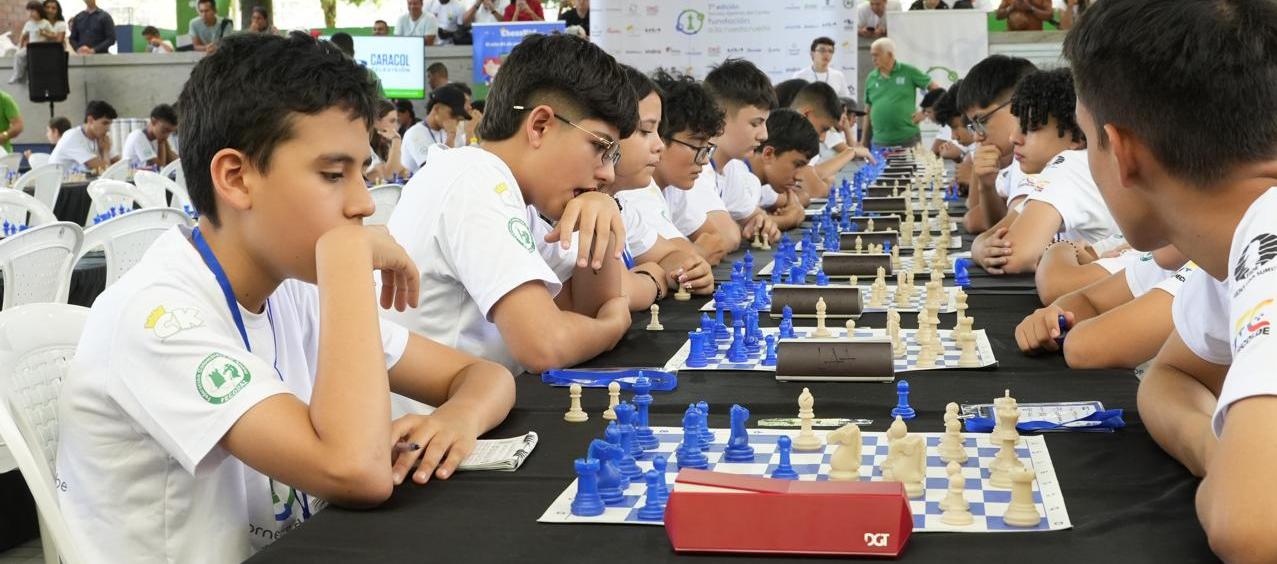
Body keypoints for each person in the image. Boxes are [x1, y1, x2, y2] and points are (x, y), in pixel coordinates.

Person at [55, 31, 516, 562]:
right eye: (332, 175)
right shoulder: (155, 318)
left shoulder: (292, 287)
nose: (365, 204)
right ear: (236, 177)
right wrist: (345, 262)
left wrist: (454, 421)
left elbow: (483, 377)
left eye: (362, 173)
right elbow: (357, 470)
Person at [1063, 3, 1277, 559]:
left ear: (1124, 151)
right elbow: (1170, 376)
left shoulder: (1268, 230)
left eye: (1087, 141)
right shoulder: (1231, 247)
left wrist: (1230, 481)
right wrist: (1218, 453)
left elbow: (1253, 528)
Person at [382, 34, 634, 393]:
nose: (608, 173)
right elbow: (545, 345)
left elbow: (584, 309)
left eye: (612, 156)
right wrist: (612, 328)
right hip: (437, 434)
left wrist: (602, 208)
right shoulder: (473, 181)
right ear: (539, 126)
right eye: (600, 146)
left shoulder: (513, 198)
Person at [970, 68, 1118, 275]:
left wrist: (983, 250)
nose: (1014, 138)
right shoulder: (1067, 166)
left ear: (1077, 136)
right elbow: (992, 234)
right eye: (1017, 125)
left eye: (1031, 128)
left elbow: (1012, 258)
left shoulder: (1071, 165)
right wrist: (979, 248)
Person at [605, 65, 715, 308]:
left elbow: (672, 256)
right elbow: (610, 296)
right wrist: (653, 277)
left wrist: (687, 268)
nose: (659, 146)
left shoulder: (619, 204)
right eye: (645, 131)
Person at [665, 59, 776, 264]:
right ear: (720, 118)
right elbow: (727, 237)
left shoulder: (733, 167)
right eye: (756, 123)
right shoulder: (692, 169)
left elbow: (752, 217)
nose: (764, 135)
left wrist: (756, 221)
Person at [1016, 248, 1193, 369]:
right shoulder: (1174, 252)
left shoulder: (1200, 272)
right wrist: (1053, 317)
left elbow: (1085, 348)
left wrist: (1058, 247)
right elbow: (1088, 300)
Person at [644, 69, 727, 265]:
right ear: (660, 137)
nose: (705, 160)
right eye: (696, 145)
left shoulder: (674, 188)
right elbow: (687, 262)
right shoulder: (636, 192)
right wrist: (696, 252)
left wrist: (695, 252)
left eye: (706, 148)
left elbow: (718, 241)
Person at [955, 54, 1036, 236]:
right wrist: (987, 184)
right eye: (973, 126)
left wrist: (980, 246)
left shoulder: (1049, 161)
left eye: (982, 120)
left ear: (1019, 103)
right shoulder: (1018, 161)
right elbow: (996, 231)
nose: (977, 136)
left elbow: (1004, 239)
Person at [747, 110, 820, 232]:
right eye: (797, 165)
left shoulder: (763, 184)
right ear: (769, 154)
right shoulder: (740, 176)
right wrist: (790, 218)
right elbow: (739, 228)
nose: (800, 177)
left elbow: (802, 197)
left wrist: (794, 206)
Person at [864, 38, 941, 150]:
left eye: (876, 55)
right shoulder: (871, 77)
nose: (873, 59)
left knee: (913, 168)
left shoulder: (909, 71)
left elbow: (937, 90)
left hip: (908, 140)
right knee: (879, 169)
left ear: (889, 55)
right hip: (878, 142)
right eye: (872, 55)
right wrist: (864, 140)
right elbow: (868, 109)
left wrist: (925, 112)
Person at [401, 84, 470, 173]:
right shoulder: (415, 133)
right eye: (452, 114)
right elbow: (434, 171)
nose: (454, 120)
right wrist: (451, 136)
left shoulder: (444, 131)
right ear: (437, 109)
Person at [49, 100, 116, 172]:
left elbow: (120, 165)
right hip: (59, 182)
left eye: (110, 124)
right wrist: (105, 151)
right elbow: (104, 171)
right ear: (90, 120)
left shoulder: (100, 137)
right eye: (104, 123)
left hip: (79, 182)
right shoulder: (72, 138)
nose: (108, 128)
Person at [7, 2, 54, 85]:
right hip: (31, 46)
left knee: (33, 60)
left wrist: (45, 34)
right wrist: (20, 47)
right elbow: (23, 36)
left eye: (33, 11)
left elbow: (53, 35)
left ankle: (31, 79)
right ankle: (17, 74)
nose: (30, 13)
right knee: (18, 55)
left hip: (41, 48)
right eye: (29, 11)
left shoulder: (45, 23)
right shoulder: (29, 24)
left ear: (39, 11)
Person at [122, 103, 179, 169]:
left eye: (170, 132)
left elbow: (173, 161)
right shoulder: (138, 136)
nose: (167, 135)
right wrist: (161, 143)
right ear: (153, 121)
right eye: (164, 130)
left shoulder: (157, 138)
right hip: (130, 177)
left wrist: (163, 141)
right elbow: (159, 167)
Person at [366, 100, 409, 184]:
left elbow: (402, 171)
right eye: (392, 121)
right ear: (376, 122)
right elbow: (390, 176)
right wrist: (396, 140)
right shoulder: (363, 145)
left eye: (397, 121)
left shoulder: (386, 145)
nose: (396, 126)